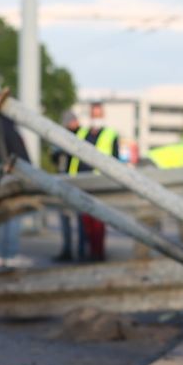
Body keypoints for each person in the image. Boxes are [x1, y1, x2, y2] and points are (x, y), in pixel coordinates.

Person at [69, 102, 118, 262]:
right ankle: (86, 252)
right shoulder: (82, 133)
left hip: (100, 183)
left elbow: (115, 161)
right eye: (94, 115)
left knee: (98, 223)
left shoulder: (110, 135)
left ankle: (98, 254)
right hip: (81, 183)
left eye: (99, 115)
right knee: (85, 222)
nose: (96, 118)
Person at [52, 110, 85, 262]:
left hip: (79, 182)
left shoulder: (82, 136)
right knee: (65, 218)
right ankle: (68, 250)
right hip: (64, 181)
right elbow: (54, 158)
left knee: (80, 219)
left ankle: (81, 250)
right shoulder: (59, 137)